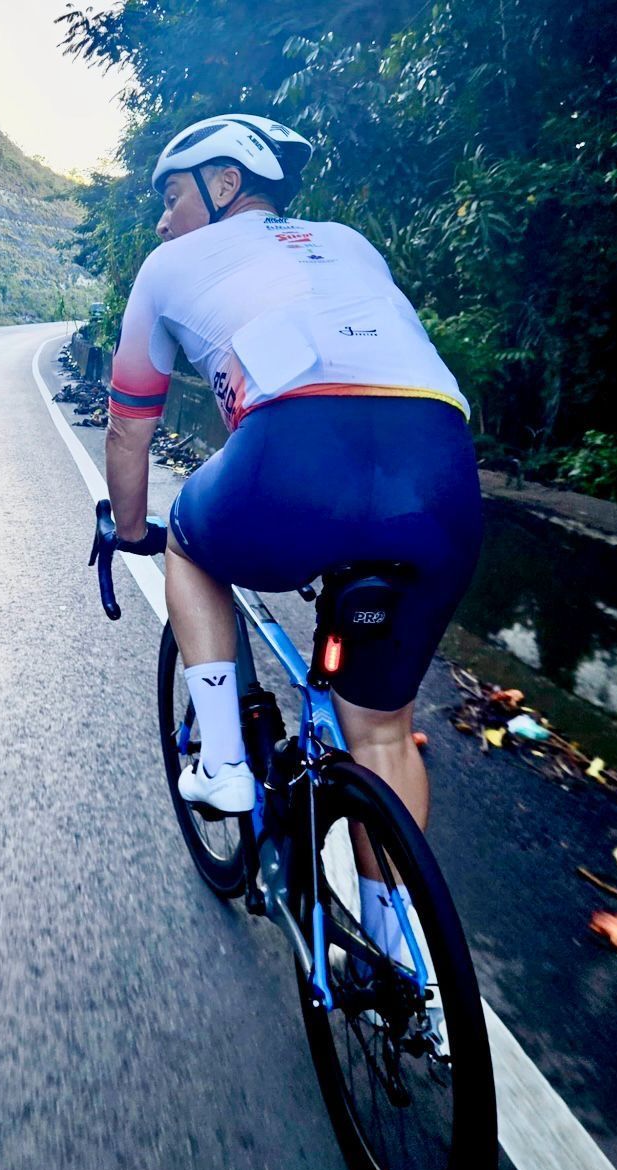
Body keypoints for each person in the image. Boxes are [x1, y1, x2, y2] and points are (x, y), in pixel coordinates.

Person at [104, 113, 482, 960]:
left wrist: (129, 529)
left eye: (171, 196)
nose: (161, 222)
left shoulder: (167, 267)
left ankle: (222, 763)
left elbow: (129, 426)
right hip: (440, 469)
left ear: (224, 185)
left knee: (186, 540)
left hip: (293, 461)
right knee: (380, 732)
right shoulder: (348, 242)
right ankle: (394, 962)